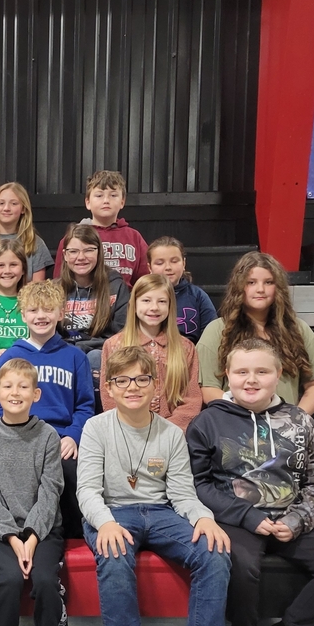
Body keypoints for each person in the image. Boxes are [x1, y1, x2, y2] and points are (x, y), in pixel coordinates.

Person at [187, 339, 314, 626]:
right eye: (241, 372)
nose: (251, 380)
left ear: (279, 373)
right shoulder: (207, 421)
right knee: (240, 565)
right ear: (227, 376)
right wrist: (247, 516)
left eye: (262, 371)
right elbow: (198, 484)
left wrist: (298, 518)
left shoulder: (301, 421)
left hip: (292, 516)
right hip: (235, 519)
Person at [76, 345, 231, 626]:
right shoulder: (96, 427)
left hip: (161, 512)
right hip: (114, 512)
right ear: (109, 388)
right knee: (114, 553)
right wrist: (105, 524)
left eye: (142, 379)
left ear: (155, 385)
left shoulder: (171, 434)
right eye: (122, 380)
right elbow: (88, 490)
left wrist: (203, 518)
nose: (132, 387)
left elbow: (182, 493)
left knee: (213, 552)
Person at [0, 357, 66, 626]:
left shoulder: (48, 436)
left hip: (43, 529)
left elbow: (51, 491)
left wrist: (32, 538)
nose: (15, 392)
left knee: (45, 580)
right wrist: (14, 539)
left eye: (23, 387)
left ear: (35, 394)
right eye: (8, 386)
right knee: (10, 580)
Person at [1, 280, 95, 539]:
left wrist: (73, 436)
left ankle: (75, 539)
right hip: (23, 435)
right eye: (33, 310)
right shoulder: (10, 357)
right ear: (23, 315)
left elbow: (85, 405)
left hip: (62, 438)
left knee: (70, 470)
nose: (40, 316)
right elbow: (1, 407)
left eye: (48, 309)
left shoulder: (76, 357)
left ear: (60, 313)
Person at [197, 250, 314, 414]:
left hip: (285, 424)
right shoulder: (216, 331)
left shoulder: (299, 330)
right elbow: (208, 388)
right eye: (251, 282)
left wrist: (295, 418)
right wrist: (242, 417)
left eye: (268, 282)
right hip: (234, 423)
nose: (260, 289)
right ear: (239, 286)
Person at [100, 274, 202, 431]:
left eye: (162, 301)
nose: (154, 307)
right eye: (146, 300)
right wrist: (132, 428)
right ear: (134, 304)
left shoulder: (185, 348)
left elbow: (191, 400)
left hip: (173, 433)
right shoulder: (114, 346)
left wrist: (169, 431)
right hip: (128, 431)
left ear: (170, 306)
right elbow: (109, 397)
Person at [52, 171, 149, 287]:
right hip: (83, 297)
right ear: (88, 202)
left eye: (113, 195)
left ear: (122, 202)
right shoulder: (73, 238)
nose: (106, 200)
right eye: (99, 195)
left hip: (125, 297)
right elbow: (59, 281)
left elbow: (146, 281)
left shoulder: (134, 237)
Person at [59, 223, 129, 381]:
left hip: (103, 353)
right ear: (65, 255)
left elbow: (121, 333)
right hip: (66, 352)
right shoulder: (57, 288)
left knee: (95, 357)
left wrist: (83, 347)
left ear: (99, 252)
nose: (81, 257)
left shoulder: (115, 286)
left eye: (88, 250)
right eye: (73, 251)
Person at [147, 236, 216, 344]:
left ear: (184, 264)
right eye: (160, 263)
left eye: (174, 261)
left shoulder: (198, 296)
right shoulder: (140, 296)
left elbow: (212, 336)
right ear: (149, 267)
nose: (168, 267)